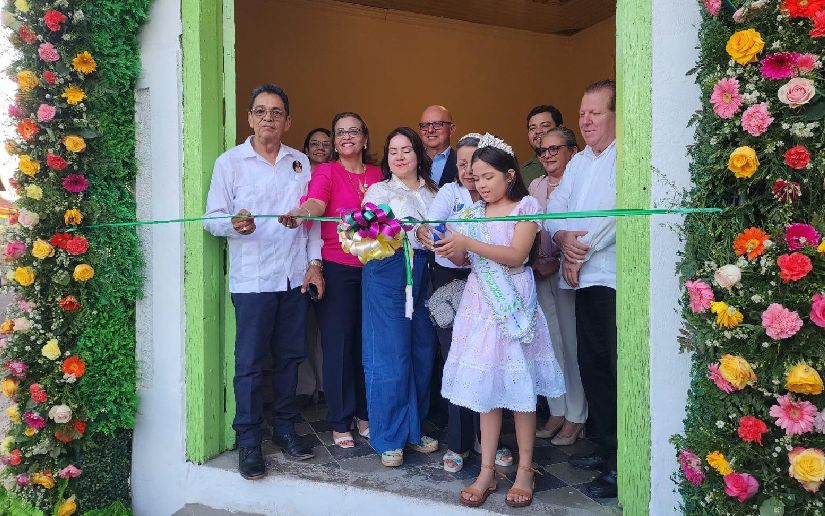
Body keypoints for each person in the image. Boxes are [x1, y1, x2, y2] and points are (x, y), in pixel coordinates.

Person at [437, 134, 565, 508]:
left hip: (513, 304)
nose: (481, 184)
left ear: (510, 175)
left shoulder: (525, 206)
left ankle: (525, 467)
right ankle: (487, 470)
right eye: (475, 178)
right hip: (480, 305)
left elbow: (516, 255)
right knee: (487, 392)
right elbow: (465, 261)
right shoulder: (473, 213)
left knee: (520, 392)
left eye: (488, 176)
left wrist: (468, 244)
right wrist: (448, 246)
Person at [203, 84, 322, 480]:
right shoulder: (230, 163)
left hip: (293, 278)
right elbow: (212, 219)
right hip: (252, 280)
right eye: (261, 111)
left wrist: (314, 264)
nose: (268, 118)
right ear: (250, 118)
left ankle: (286, 431)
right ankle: (249, 442)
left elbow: (312, 224)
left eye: (276, 112)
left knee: (290, 359)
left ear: (288, 121)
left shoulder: (300, 163)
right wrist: (235, 225)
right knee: (251, 365)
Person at [281, 112, 382, 449]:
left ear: (365, 138)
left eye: (353, 131)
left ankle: (365, 413)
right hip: (338, 269)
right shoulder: (326, 171)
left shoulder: (379, 174)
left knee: (369, 344)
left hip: (377, 270)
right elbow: (315, 203)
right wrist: (300, 213)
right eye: (340, 132)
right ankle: (340, 420)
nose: (346, 137)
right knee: (339, 345)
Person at [416, 133, 513, 473]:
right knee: (457, 360)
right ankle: (458, 443)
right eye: (461, 164)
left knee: (491, 361)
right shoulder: (448, 193)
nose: (469, 171)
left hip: (492, 283)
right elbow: (431, 226)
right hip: (449, 284)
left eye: (475, 164)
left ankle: (494, 441)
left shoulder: (500, 200)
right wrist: (431, 237)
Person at [545, 80, 618, 499]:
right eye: (582, 113)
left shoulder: (623, 155)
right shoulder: (578, 163)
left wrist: (579, 249)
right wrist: (561, 240)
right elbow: (557, 208)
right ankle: (604, 446)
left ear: (614, 116)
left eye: (596, 112)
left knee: (610, 368)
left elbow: (619, 212)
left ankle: (619, 461)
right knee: (591, 365)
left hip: (609, 278)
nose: (586, 121)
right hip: (583, 279)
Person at [361, 127, 439, 467]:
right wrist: (410, 226)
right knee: (389, 354)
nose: (399, 155)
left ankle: (413, 430)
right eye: (393, 150)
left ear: (417, 153)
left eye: (406, 149)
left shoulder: (436, 191)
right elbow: (370, 231)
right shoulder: (378, 191)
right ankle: (388, 438)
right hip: (389, 272)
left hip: (429, 271)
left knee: (422, 351)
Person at [529, 128, 588, 446]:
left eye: (556, 148)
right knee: (547, 345)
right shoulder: (536, 185)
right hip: (537, 274)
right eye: (543, 150)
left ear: (572, 151)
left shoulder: (578, 183)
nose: (548, 154)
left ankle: (576, 414)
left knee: (571, 343)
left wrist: (556, 259)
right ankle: (557, 410)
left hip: (568, 272)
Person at [296, 127, 333, 407]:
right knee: (304, 329)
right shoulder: (297, 176)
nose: (320, 147)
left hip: (329, 258)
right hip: (300, 258)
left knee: (326, 331)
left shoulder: (334, 175)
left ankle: (325, 385)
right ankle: (306, 387)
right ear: (306, 148)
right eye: (314, 143)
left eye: (325, 143)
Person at [520, 105, 564, 186]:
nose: (538, 131)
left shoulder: (578, 163)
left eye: (545, 126)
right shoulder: (522, 173)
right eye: (532, 128)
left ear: (560, 129)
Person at [419, 105, 458, 186]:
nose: (430, 130)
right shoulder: (412, 160)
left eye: (437, 124)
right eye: (425, 125)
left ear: (451, 129)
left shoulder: (461, 162)